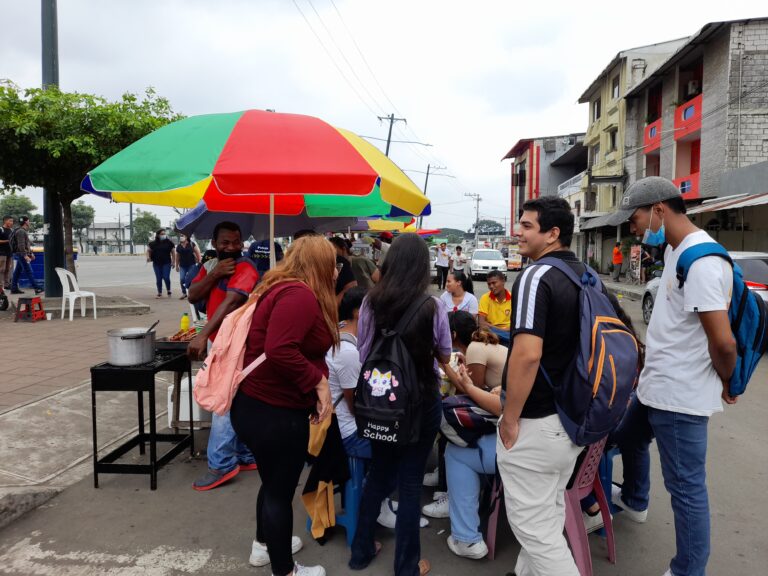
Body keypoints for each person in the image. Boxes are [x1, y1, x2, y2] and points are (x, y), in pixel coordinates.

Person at [607, 176, 737, 576]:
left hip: (679, 398)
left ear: (660, 210)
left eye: (636, 218)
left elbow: (724, 342)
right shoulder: (675, 252)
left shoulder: (701, 261)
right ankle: (635, 498)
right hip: (654, 389)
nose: (633, 227)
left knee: (686, 489)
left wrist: (728, 381)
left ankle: (687, 569)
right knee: (626, 438)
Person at [230, 235, 339, 576]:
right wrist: (318, 382)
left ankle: (265, 545)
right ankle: (285, 570)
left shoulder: (282, 288)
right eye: (332, 264)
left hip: (257, 408)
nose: (337, 271)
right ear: (317, 265)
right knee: (279, 492)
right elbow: (280, 349)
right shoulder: (299, 295)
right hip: (274, 413)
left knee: (272, 484)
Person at [349, 233, 451, 576]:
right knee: (410, 484)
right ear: (423, 267)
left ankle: (360, 551)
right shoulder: (432, 305)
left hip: (381, 403)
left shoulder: (369, 303)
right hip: (422, 404)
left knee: (378, 475)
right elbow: (446, 353)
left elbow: (363, 353)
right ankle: (407, 566)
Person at [496, 196, 585, 576]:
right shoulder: (584, 274)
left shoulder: (535, 276)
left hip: (536, 422)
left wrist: (510, 418)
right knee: (546, 517)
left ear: (553, 234)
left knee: (535, 531)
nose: (518, 231)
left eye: (528, 226)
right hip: (571, 419)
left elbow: (528, 354)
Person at [187, 222, 259, 491]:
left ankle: (221, 464)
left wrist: (202, 334)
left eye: (236, 241)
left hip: (236, 344)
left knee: (222, 402)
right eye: (225, 242)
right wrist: (214, 274)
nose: (231, 247)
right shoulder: (209, 267)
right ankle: (245, 454)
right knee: (234, 400)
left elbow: (231, 301)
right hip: (218, 343)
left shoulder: (246, 267)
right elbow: (193, 295)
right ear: (215, 243)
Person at [422, 311, 508, 523]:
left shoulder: (475, 348)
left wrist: (444, 365)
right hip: (506, 416)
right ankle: (446, 484)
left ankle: (449, 493)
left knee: (450, 428)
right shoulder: (478, 347)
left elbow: (473, 392)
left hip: (502, 421)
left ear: (451, 334)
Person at [9, 216, 42, 295]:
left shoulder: (21, 231)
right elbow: (21, 245)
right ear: (26, 222)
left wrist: (30, 253)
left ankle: (13, 288)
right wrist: (25, 256)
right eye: (28, 221)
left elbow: (26, 245)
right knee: (29, 271)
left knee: (17, 272)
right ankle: (37, 288)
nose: (29, 222)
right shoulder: (21, 232)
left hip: (20, 254)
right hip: (21, 254)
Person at [477, 270, 511, 344]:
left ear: (503, 281)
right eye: (489, 284)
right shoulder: (485, 298)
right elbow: (481, 323)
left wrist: (492, 327)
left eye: (494, 283)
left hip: (503, 333)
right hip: (492, 333)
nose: (491, 286)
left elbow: (515, 325)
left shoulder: (513, 298)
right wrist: (502, 330)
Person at [328, 236, 358, 303]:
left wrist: (332, 307)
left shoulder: (340, 260)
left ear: (343, 249)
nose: (330, 251)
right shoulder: (330, 261)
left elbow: (352, 286)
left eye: (333, 248)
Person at [147, 229, 175, 298]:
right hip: (156, 263)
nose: (163, 235)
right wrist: (148, 257)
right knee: (158, 278)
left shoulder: (169, 243)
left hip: (167, 263)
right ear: (158, 235)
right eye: (162, 234)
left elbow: (173, 252)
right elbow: (148, 251)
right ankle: (159, 292)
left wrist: (173, 262)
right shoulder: (153, 243)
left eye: (164, 234)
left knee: (166, 277)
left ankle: (168, 290)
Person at [175, 233, 201, 300]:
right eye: (180, 236)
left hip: (191, 264)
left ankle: (191, 292)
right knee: (182, 279)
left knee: (191, 279)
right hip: (182, 265)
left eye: (182, 235)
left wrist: (200, 261)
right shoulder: (179, 246)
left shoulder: (192, 244)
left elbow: (197, 253)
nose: (181, 237)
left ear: (187, 237)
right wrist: (176, 265)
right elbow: (177, 256)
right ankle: (184, 293)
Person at [0, 216, 14, 293]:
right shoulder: (1, 229)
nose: (12, 223)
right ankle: (1, 285)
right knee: (1, 269)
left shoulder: (11, 230)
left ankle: (7, 284)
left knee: (8, 269)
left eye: (12, 221)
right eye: (10, 221)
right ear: (5, 221)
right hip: (1, 253)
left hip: (9, 252)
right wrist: (7, 241)